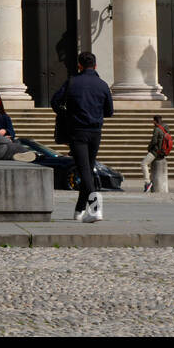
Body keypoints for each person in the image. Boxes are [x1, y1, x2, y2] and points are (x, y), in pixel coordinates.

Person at [51, 51, 113, 222]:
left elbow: (55, 101)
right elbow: (109, 111)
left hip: (77, 131)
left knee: (84, 171)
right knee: (87, 169)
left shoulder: (72, 82)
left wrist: (65, 114)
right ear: (95, 65)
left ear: (79, 65)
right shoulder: (102, 85)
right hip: (95, 132)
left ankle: (95, 208)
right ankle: (79, 210)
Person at [142, 115, 171, 192]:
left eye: (153, 121)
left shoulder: (157, 129)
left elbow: (154, 141)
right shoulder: (165, 129)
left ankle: (147, 183)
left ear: (155, 121)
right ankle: (150, 181)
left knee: (144, 163)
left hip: (156, 152)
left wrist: (149, 148)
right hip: (163, 152)